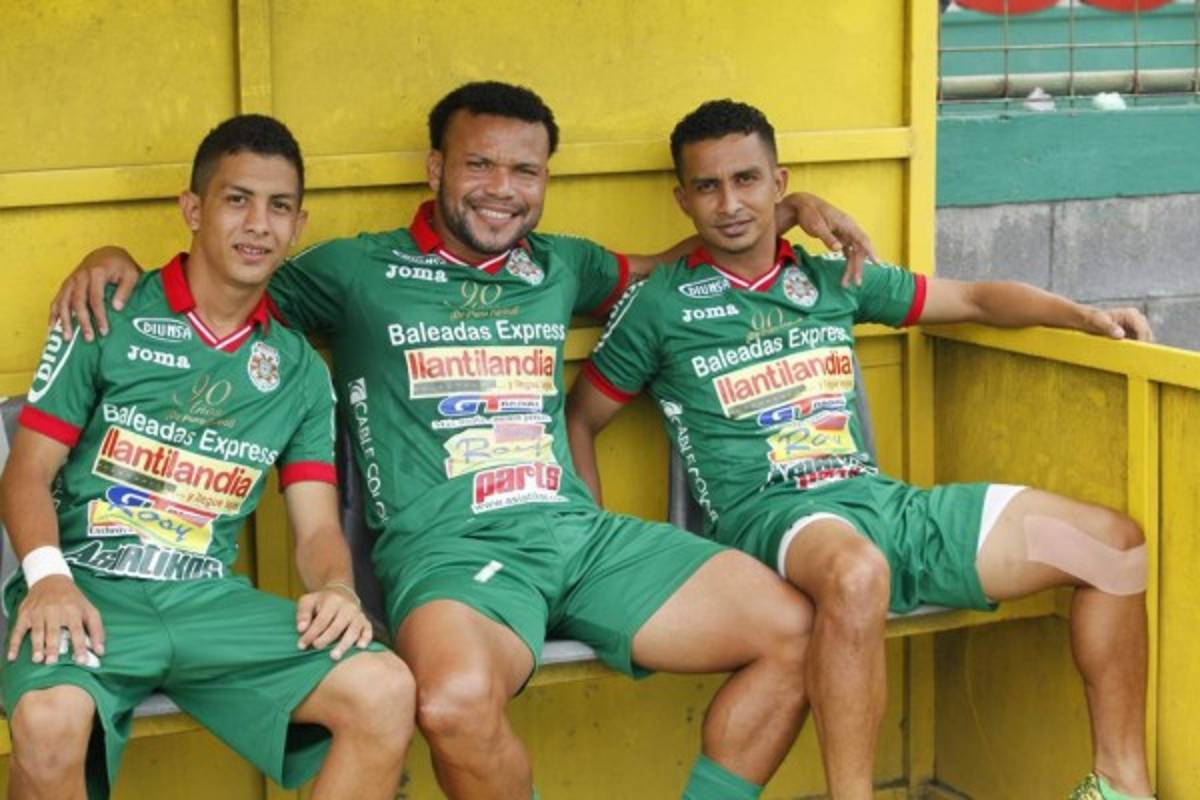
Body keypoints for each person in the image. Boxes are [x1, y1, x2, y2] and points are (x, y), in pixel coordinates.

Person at [40, 81, 881, 800]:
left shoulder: (564, 265)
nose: (501, 189)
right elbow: (222, 277)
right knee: (450, 702)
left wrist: (789, 208)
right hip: (450, 554)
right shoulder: (352, 271)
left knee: (796, 629)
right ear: (437, 169)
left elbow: (687, 258)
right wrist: (111, 255)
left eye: (525, 170)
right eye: (479, 164)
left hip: (578, 536)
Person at [566, 99, 1156, 800]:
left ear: (778, 182)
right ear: (682, 199)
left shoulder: (830, 279)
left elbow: (970, 300)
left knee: (1111, 548)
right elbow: (581, 420)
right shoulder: (662, 303)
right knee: (855, 571)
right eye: (707, 186)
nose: (729, 203)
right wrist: (587, 556)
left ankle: (1121, 783)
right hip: (768, 519)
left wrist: (1083, 316)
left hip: (878, 505)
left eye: (747, 180)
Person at [1, 115, 415, 800]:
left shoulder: (298, 371)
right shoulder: (110, 310)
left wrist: (337, 588)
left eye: (279, 207)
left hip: (205, 601)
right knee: (48, 719)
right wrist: (46, 578)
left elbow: (314, 528)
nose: (258, 224)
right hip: (86, 589)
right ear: (192, 209)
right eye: (236, 199)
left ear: (299, 224)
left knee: (385, 688)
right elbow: (26, 471)